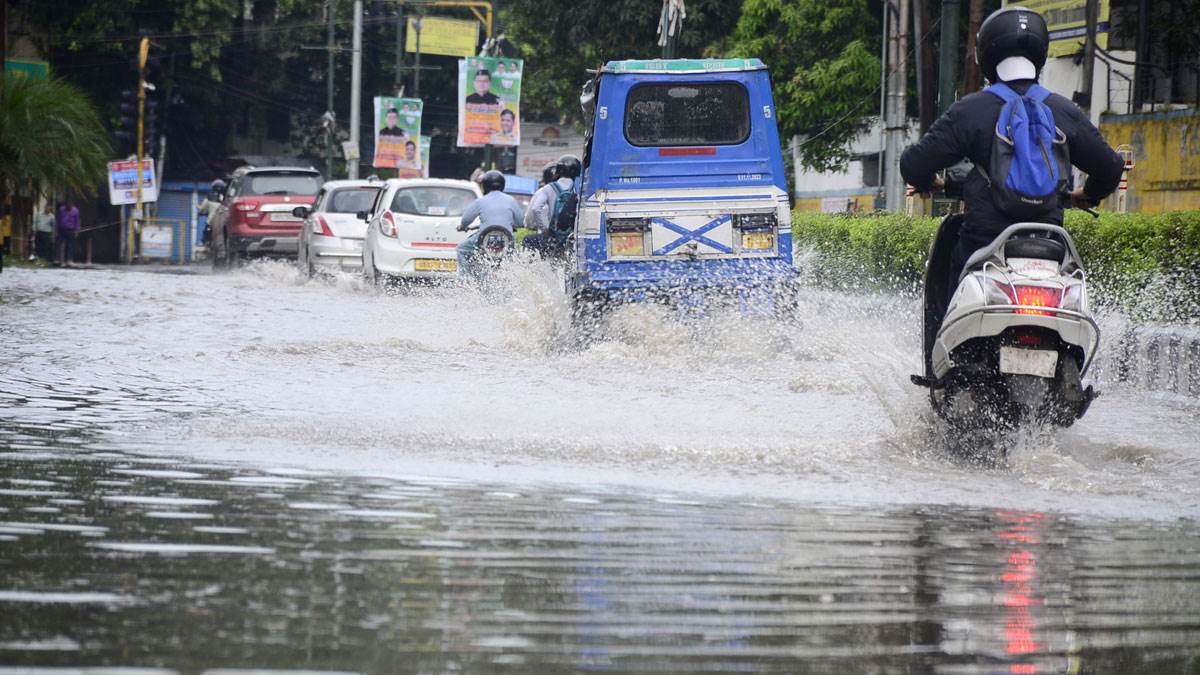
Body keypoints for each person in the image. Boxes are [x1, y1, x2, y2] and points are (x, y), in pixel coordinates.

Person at [900, 6, 1123, 304]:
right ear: (1040, 53)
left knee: (950, 283)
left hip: (983, 245)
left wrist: (929, 183)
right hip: (1049, 244)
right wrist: (1087, 194)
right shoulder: (1063, 110)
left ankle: (944, 346)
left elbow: (914, 164)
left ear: (987, 55)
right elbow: (1109, 167)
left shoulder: (971, 110)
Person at [455, 170, 523, 276]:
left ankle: (465, 281)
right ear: (502, 185)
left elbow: (466, 220)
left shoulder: (480, 201)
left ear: (485, 185)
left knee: (462, 250)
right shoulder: (511, 200)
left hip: (483, 238)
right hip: (506, 239)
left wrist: (463, 227)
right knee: (515, 256)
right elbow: (519, 222)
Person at [522, 154, 580, 256]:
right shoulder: (580, 189)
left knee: (527, 240)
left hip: (553, 238)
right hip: (573, 238)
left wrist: (546, 230)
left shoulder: (548, 188)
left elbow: (536, 209)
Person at [55, 199, 81, 267]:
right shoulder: (61, 209)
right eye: (67, 206)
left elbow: (77, 221)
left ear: (72, 205)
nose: (68, 207)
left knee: (70, 246)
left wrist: (77, 231)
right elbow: (58, 219)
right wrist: (56, 230)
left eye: (69, 206)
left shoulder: (75, 210)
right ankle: (58, 260)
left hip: (71, 230)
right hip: (61, 229)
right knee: (59, 244)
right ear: (65, 205)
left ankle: (69, 260)